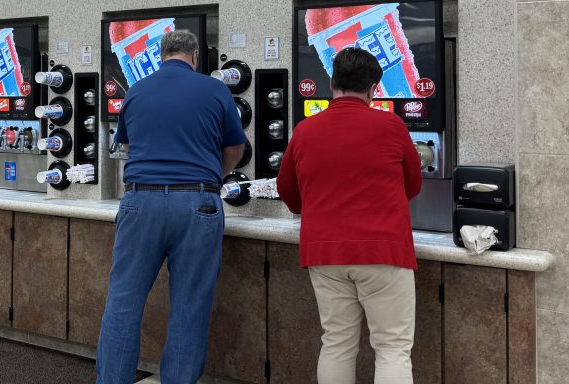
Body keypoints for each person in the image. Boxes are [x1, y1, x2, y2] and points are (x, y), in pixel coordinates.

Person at [95, 30, 247, 384]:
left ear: (161, 55)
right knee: (190, 307)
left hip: (139, 201)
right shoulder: (215, 90)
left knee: (123, 303)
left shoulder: (136, 91)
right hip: (199, 204)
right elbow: (236, 149)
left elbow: (129, 148)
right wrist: (212, 177)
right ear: (195, 56)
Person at [276, 47, 423, 384]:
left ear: (332, 82)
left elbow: (287, 189)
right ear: (373, 89)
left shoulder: (306, 130)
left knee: (337, 343)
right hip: (384, 251)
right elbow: (412, 184)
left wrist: (311, 208)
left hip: (325, 252)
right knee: (392, 347)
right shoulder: (391, 125)